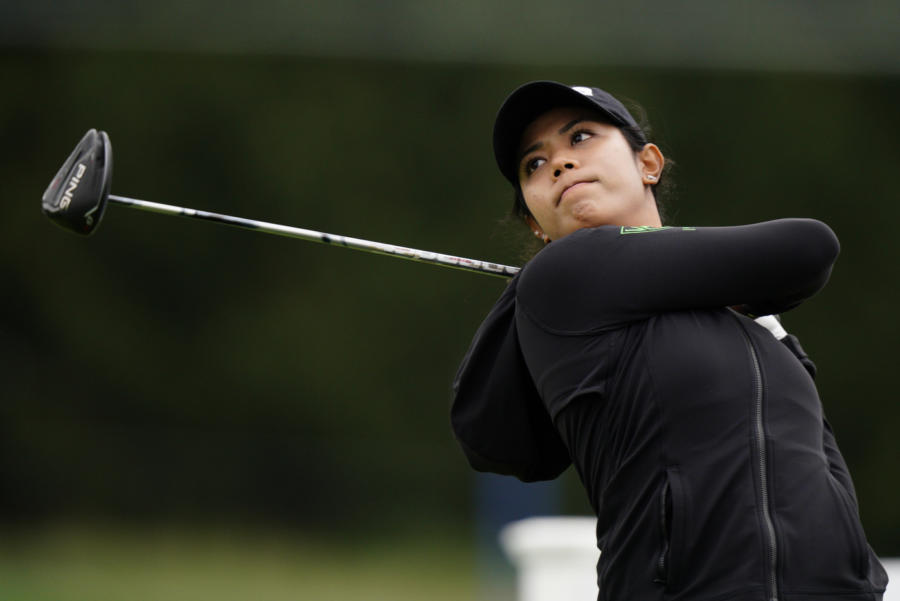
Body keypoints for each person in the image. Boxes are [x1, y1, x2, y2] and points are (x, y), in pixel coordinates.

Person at [451, 80, 889, 601]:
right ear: (536, 223)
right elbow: (808, 246)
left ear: (649, 164)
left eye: (581, 137)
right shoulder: (565, 273)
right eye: (534, 164)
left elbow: (827, 474)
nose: (560, 163)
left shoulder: (761, 328)